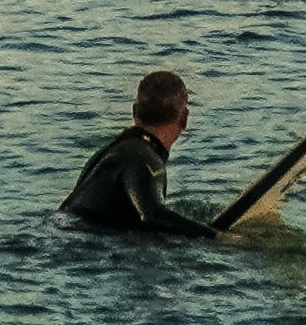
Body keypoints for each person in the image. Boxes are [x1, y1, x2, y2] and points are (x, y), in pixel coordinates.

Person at [61, 64, 205, 235]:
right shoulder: (146, 161)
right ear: (184, 118)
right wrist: (219, 237)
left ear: (135, 111)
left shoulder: (113, 152)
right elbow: (152, 216)